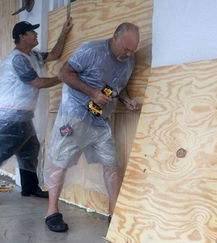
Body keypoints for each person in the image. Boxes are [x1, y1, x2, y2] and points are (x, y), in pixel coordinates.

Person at [44, 23, 140, 232]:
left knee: (111, 164)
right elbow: (64, 73)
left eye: (132, 49)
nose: (128, 53)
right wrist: (92, 92)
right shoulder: (91, 50)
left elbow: (118, 88)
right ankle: (52, 211)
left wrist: (127, 101)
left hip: (100, 121)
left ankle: (115, 214)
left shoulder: (129, 60)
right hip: (74, 115)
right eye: (125, 48)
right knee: (60, 162)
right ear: (115, 37)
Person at [0, 19, 73, 205]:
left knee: (30, 149)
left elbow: (55, 54)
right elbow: (38, 83)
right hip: (12, 117)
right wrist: (61, 78)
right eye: (32, 32)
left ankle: (30, 187)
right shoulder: (17, 59)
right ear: (22, 37)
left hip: (23, 117)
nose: (36, 35)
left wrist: (64, 32)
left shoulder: (32, 56)